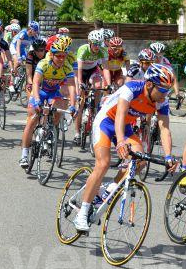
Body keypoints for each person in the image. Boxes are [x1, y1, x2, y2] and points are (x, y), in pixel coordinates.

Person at [73, 64, 177, 232]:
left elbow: (164, 129)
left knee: (140, 160)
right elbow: (120, 114)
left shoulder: (161, 101)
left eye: (168, 91)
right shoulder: (132, 88)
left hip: (126, 126)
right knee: (103, 163)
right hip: (106, 122)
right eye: (163, 90)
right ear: (149, 85)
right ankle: (82, 213)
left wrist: (168, 156)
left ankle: (110, 188)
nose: (165, 95)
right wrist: (120, 142)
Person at [19, 37, 77, 167]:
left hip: (54, 92)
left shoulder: (67, 66)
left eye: (64, 56)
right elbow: (36, 83)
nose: (61, 59)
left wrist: (73, 105)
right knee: (32, 119)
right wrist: (37, 100)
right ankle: (24, 154)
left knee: (60, 109)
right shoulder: (44, 64)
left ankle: (49, 130)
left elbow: (72, 86)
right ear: (52, 54)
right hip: (40, 91)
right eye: (59, 56)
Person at [73, 31, 108, 143]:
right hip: (81, 71)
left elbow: (106, 68)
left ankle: (95, 107)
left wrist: (108, 84)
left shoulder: (103, 50)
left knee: (98, 85)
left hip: (93, 70)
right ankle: (77, 132)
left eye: (99, 44)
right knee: (80, 102)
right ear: (89, 42)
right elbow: (79, 70)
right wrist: (80, 83)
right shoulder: (83, 49)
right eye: (95, 44)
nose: (97, 47)